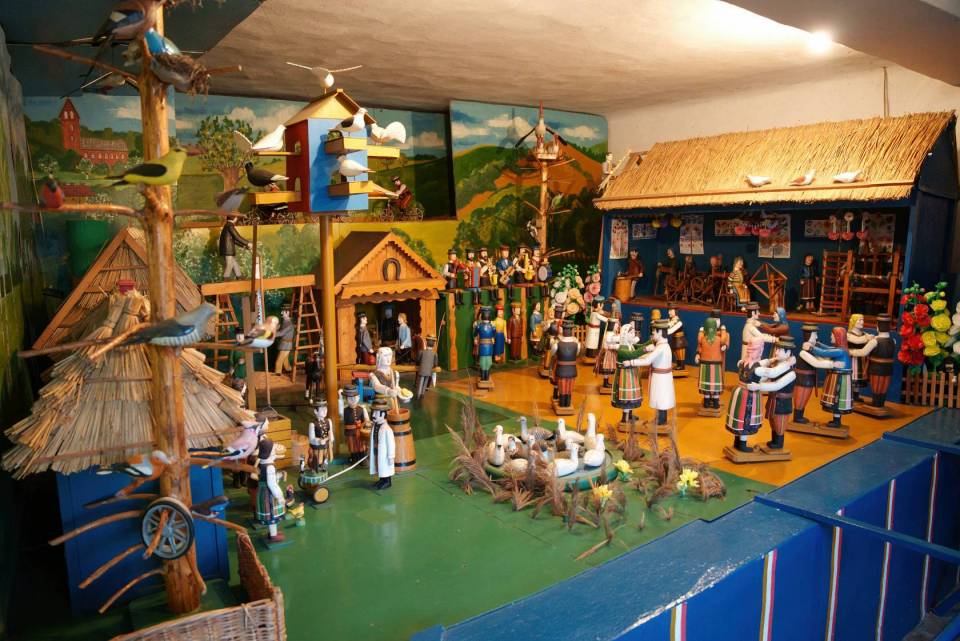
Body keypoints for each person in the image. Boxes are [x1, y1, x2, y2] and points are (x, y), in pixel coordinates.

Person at [629, 318, 675, 426]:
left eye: (654, 332)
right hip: (663, 377)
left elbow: (647, 360)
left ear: (660, 332)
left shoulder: (661, 348)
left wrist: (631, 362)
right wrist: (639, 356)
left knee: (660, 397)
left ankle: (661, 421)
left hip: (660, 378)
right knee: (661, 398)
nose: (652, 334)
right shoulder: (663, 346)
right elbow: (649, 357)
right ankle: (660, 419)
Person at [725, 338, 765, 453]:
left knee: (740, 418)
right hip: (749, 395)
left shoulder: (742, 362)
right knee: (745, 419)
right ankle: (741, 444)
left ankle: (737, 442)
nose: (751, 351)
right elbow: (765, 377)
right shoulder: (757, 367)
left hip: (739, 392)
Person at [756, 338, 797, 451]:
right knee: (773, 422)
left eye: (780, 350)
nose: (776, 352)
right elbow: (767, 376)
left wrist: (759, 386)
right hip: (773, 399)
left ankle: (779, 443)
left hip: (783, 402)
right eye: (776, 349)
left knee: (780, 423)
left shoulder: (791, 372)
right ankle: (774, 440)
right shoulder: (776, 366)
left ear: (788, 353)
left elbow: (777, 385)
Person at [810, 327, 853, 428]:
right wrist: (819, 344)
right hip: (838, 376)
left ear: (837, 337)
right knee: (836, 400)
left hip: (839, 378)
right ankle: (836, 420)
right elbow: (829, 349)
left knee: (837, 399)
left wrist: (812, 348)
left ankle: (836, 421)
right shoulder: (841, 349)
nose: (830, 336)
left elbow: (825, 353)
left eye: (832, 335)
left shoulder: (840, 351)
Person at [858, 314, 896, 408]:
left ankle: (876, 403)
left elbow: (863, 352)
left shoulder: (875, 341)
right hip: (888, 368)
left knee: (876, 387)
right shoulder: (893, 341)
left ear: (878, 326)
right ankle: (880, 403)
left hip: (876, 368)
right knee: (884, 386)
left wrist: (850, 351)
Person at [255, 438, 285, 543]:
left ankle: (273, 533)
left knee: (270, 514)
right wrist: (280, 496)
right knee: (272, 514)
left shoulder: (261, 463)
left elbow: (262, 477)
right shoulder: (270, 467)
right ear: (270, 452)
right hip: (269, 494)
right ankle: (273, 535)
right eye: (273, 449)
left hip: (262, 491)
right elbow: (272, 484)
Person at [695, 317, 728, 410]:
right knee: (715, 383)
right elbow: (724, 339)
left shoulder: (703, 339)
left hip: (705, 364)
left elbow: (699, 341)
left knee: (706, 383)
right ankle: (715, 402)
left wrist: (701, 331)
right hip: (715, 364)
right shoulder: (718, 339)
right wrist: (723, 330)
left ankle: (707, 401)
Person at [793, 324, 820, 424]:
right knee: (800, 398)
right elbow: (816, 363)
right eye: (815, 335)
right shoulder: (804, 352)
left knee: (805, 398)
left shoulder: (812, 349)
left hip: (808, 378)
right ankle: (797, 417)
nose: (816, 337)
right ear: (809, 336)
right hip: (802, 379)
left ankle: (800, 416)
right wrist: (832, 364)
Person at [551, 320, 580, 410]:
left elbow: (553, 354)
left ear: (563, 330)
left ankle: (562, 404)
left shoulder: (557, 344)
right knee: (569, 388)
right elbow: (577, 354)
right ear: (571, 330)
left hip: (561, 370)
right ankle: (567, 403)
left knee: (562, 388)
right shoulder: (577, 344)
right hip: (572, 370)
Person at [369, 399, 396, 490]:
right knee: (379, 466)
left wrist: (391, 456)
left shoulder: (387, 429)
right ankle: (382, 480)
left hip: (384, 454)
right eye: (373, 412)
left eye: (376, 413)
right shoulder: (375, 426)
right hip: (377, 451)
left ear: (383, 414)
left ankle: (387, 481)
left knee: (385, 467)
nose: (373, 415)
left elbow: (391, 443)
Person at [846, 313, 872, 401]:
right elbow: (857, 341)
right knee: (852, 377)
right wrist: (868, 338)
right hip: (852, 359)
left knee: (858, 379)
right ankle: (849, 395)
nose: (862, 322)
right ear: (853, 322)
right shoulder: (848, 334)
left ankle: (856, 396)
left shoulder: (864, 334)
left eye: (863, 320)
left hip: (861, 359)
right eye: (860, 320)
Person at [342, 385, 369, 463]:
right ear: (346, 399)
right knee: (352, 446)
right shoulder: (345, 410)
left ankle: (362, 459)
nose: (353, 400)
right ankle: (354, 458)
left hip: (360, 432)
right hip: (350, 433)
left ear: (358, 397)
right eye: (350, 398)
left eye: (355, 397)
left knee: (361, 446)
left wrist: (365, 425)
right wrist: (340, 399)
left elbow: (367, 420)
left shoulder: (362, 409)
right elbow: (340, 415)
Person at [219, 215, 250, 280]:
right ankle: (225, 278)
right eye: (236, 218)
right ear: (234, 218)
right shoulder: (230, 226)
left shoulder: (227, 226)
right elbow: (237, 237)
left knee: (234, 263)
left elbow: (234, 240)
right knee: (229, 264)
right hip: (228, 250)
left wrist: (244, 246)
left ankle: (239, 276)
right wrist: (248, 243)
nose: (237, 219)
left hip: (227, 249)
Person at [595, 316, 621, 393]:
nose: (617, 327)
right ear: (612, 325)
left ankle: (606, 382)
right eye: (616, 326)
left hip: (610, 352)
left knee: (609, 369)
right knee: (607, 369)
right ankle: (605, 383)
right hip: (608, 353)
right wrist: (620, 337)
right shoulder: (609, 334)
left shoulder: (612, 333)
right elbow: (611, 340)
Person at [307, 401, 334, 473]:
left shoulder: (329, 421)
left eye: (326, 409)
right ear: (316, 411)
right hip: (317, 447)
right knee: (317, 460)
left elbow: (330, 433)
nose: (325, 411)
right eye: (322, 409)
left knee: (325, 458)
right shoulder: (312, 424)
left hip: (326, 446)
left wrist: (330, 438)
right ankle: (315, 469)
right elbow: (311, 439)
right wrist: (319, 440)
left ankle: (323, 468)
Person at [474, 306, 496, 386]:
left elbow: (475, 333)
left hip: (483, 345)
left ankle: (483, 376)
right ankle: (486, 375)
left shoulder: (479, 326)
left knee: (483, 360)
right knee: (488, 360)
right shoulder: (492, 326)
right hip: (489, 345)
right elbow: (494, 334)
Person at [415, 335, 439, 399]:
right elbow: (435, 364)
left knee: (421, 382)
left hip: (422, 370)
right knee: (425, 382)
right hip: (429, 371)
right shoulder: (435, 354)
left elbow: (417, 360)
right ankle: (422, 394)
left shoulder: (421, 352)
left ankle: (418, 394)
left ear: (426, 343)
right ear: (434, 344)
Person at [273, 307, 295, 374]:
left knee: (279, 360)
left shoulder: (289, 324)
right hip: (284, 344)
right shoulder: (284, 322)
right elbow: (280, 331)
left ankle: (278, 372)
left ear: (288, 313)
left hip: (286, 345)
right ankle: (288, 369)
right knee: (285, 359)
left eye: (283, 312)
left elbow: (281, 333)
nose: (281, 313)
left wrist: (272, 334)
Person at [666, 303, 686, 370]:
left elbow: (670, 331)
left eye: (671, 311)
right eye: (668, 310)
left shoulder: (679, 322)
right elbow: (667, 325)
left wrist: (664, 331)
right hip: (674, 339)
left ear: (675, 311)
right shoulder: (670, 320)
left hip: (680, 340)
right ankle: (678, 365)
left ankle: (681, 366)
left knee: (680, 354)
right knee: (676, 354)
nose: (669, 312)